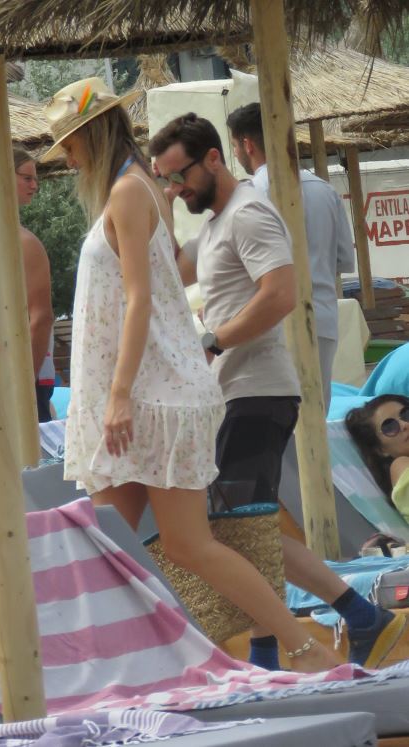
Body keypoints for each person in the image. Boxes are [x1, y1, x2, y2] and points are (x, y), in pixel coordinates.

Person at [41, 76, 337, 674]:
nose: (68, 160)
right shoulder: (136, 189)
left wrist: (119, 395)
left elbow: (141, 299)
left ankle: (303, 648)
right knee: (116, 546)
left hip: (150, 395)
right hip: (144, 392)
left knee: (181, 544)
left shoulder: (130, 191)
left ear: (90, 136)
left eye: (69, 146)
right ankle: (123, 666)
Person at [150, 112, 406, 671]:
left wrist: (214, 341)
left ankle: (324, 629)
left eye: (180, 175)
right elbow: (163, 269)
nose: (177, 187)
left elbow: (281, 294)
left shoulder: (248, 214)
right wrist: (159, 202)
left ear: (215, 157)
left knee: (237, 530)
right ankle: (324, 629)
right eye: (167, 179)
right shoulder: (213, 226)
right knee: (245, 531)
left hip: (258, 393)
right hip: (238, 394)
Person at [226, 102, 355, 412]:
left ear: (248, 145)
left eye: (235, 146)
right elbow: (343, 261)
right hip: (322, 319)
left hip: (272, 326)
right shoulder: (324, 191)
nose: (236, 154)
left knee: (277, 424)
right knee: (316, 419)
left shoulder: (248, 197)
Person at [14, 145, 55, 422]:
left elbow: (41, 318)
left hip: (26, 377)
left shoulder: (26, 243)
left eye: (35, 179)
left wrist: (22, 382)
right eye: (27, 178)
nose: (35, 186)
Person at [346, 394, 409, 524]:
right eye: (389, 427)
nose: (404, 424)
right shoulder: (400, 465)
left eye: (406, 414)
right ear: (381, 450)